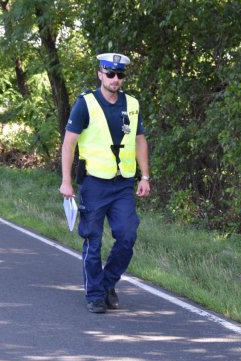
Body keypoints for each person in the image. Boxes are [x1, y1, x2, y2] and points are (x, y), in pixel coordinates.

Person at [59, 53, 151, 314]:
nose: (115, 79)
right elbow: (69, 143)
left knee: (127, 235)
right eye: (110, 73)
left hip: (123, 185)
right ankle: (95, 294)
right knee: (93, 240)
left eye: (120, 75)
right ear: (100, 74)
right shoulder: (85, 103)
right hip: (95, 184)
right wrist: (66, 181)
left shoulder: (132, 104)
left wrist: (145, 176)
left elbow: (139, 139)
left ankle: (107, 282)